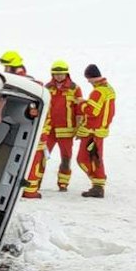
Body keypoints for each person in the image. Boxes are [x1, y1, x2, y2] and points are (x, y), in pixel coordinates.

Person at [24, 60, 81, 198]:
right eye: (56, 74)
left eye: (61, 74)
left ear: (66, 73)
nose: (59, 77)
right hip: (49, 129)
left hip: (66, 130)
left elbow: (79, 110)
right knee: (41, 157)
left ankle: (63, 183)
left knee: (66, 157)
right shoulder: (48, 87)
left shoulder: (74, 88)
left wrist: (79, 127)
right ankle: (35, 183)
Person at [75, 64, 116, 198]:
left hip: (92, 131)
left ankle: (98, 184)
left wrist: (81, 103)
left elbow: (92, 111)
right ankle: (98, 185)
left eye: (88, 79)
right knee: (95, 158)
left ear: (92, 77)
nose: (88, 82)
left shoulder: (98, 91)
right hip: (100, 130)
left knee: (84, 159)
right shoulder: (108, 89)